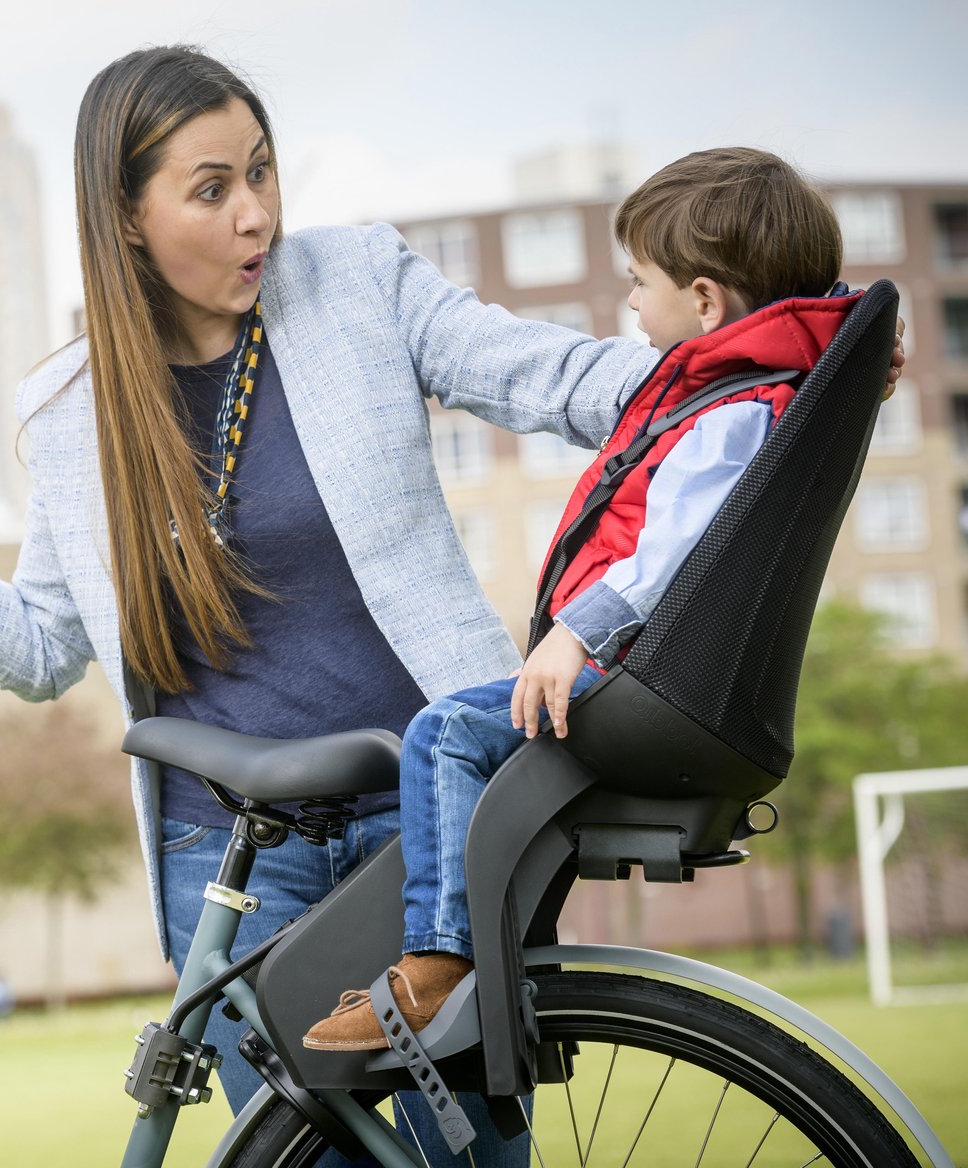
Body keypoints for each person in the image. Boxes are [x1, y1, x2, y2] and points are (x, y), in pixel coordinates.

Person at [0, 49, 903, 1168]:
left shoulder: (358, 282)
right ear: (126, 218)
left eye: (260, 172)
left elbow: (580, 381)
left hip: (432, 828)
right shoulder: (69, 413)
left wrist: (789, 350)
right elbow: (43, 646)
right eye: (211, 189)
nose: (256, 211)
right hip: (228, 859)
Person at [303, 147, 867, 1052]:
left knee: (444, 733)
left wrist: (575, 633)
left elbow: (673, 553)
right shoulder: (747, 394)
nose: (631, 306)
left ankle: (437, 965)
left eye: (640, 284)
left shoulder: (729, 414)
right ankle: (487, 950)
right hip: (658, 682)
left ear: (708, 300)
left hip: (635, 678)